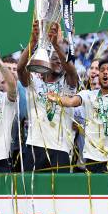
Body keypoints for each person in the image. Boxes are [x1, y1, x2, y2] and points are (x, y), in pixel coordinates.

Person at [48, 58, 108, 173]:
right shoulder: (88, 95)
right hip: (93, 160)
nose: (105, 72)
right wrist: (57, 98)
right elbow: (71, 102)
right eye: (102, 70)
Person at [18, 21, 79, 172]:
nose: (59, 62)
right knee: (31, 194)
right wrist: (33, 42)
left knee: (59, 194)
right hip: (35, 146)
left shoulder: (68, 85)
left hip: (60, 149)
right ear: (46, 62)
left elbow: (72, 72)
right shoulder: (34, 82)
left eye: (61, 61)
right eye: (54, 60)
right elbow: (20, 69)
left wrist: (57, 46)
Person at [1, 55, 27, 171]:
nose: (11, 72)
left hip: (20, 147)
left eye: (14, 69)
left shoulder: (26, 90)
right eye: (7, 68)